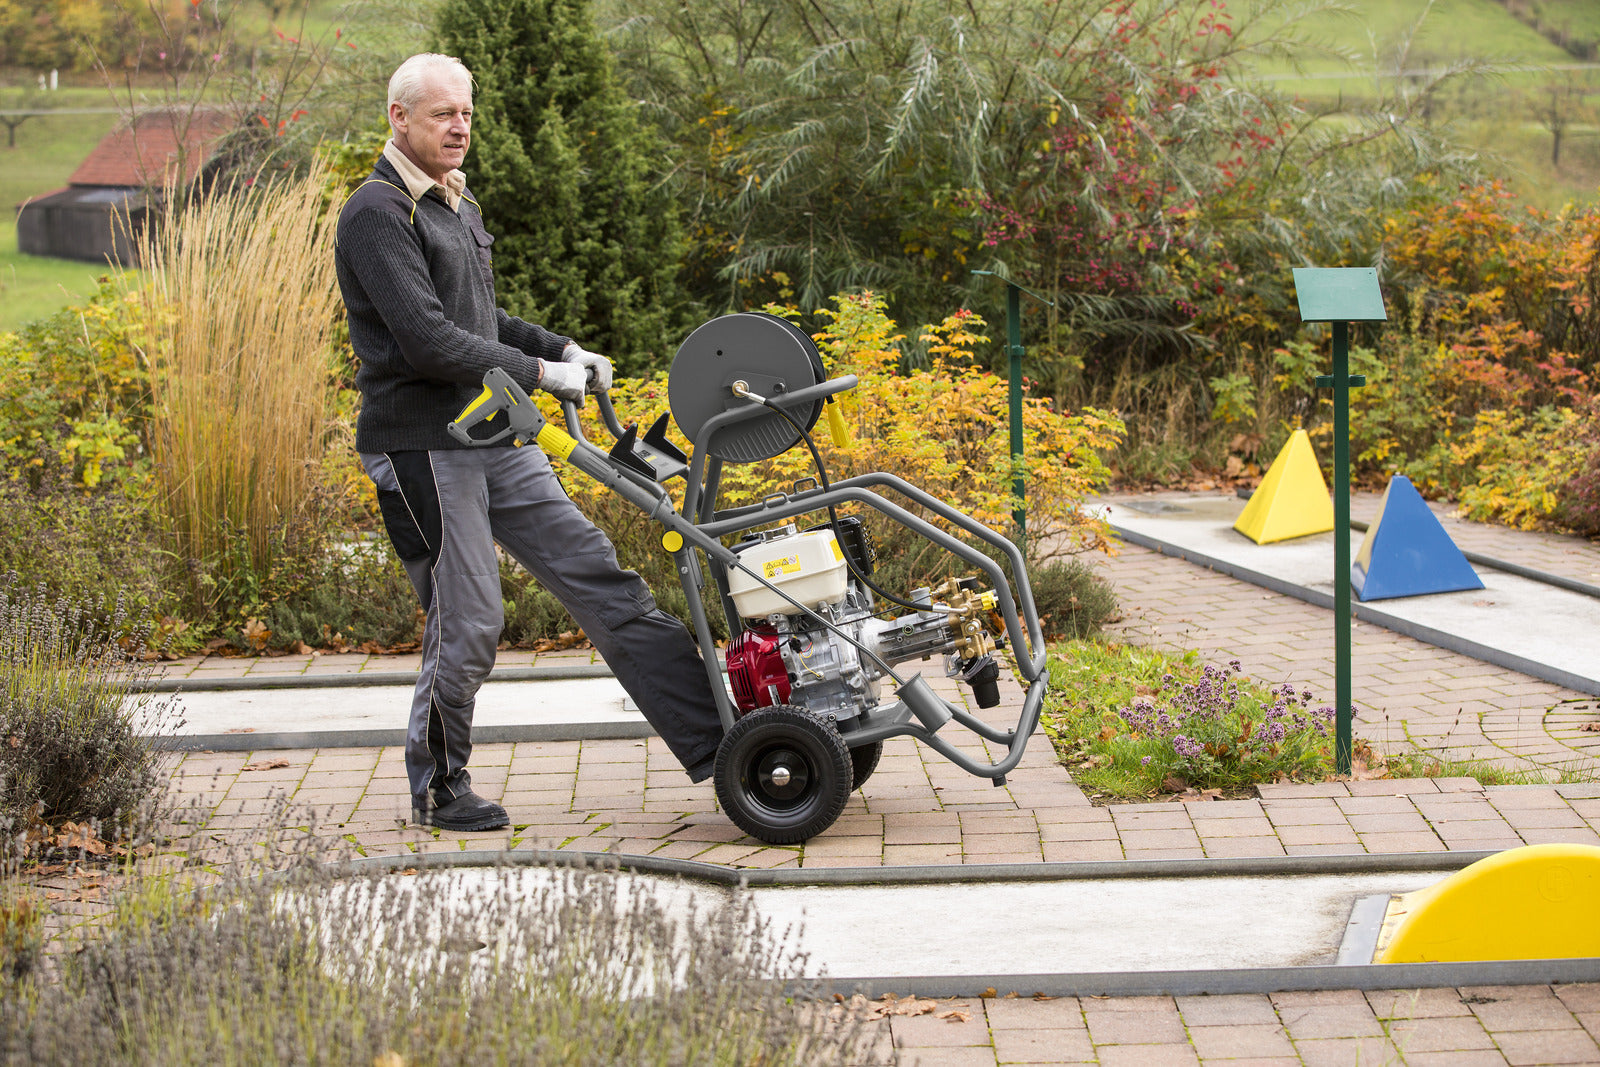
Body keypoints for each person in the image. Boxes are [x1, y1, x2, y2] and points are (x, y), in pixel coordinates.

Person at [335, 53, 724, 831]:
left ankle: (725, 741)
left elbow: (482, 321)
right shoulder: (378, 212)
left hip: (494, 431)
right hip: (423, 447)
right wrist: (545, 373)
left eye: (466, 114)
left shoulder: (454, 200)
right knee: (469, 619)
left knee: (601, 577)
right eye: (443, 114)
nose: (459, 127)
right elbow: (430, 342)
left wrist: (562, 347)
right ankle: (439, 789)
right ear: (398, 119)